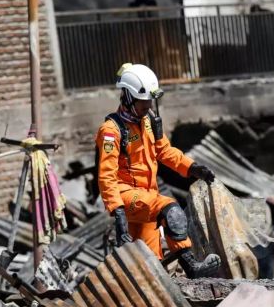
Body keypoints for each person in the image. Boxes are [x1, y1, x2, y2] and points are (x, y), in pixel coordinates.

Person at [95, 63, 221, 278]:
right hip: (125, 196)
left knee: (150, 267)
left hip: (146, 200)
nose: (148, 105)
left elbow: (164, 151)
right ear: (127, 97)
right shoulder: (111, 131)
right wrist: (117, 212)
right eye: (143, 101)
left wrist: (191, 167)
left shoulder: (148, 122)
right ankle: (190, 265)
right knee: (170, 209)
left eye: (150, 100)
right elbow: (106, 175)